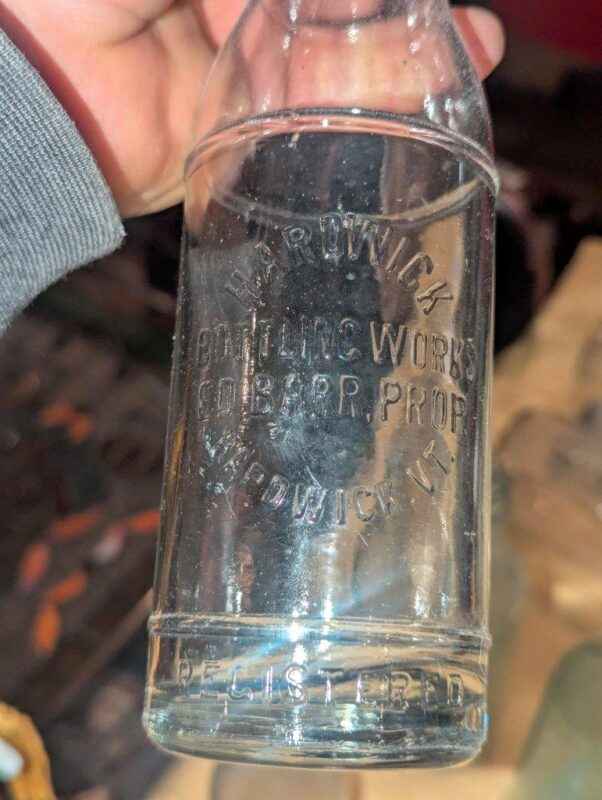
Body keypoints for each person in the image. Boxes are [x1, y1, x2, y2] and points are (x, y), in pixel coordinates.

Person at [0, 0, 504, 787]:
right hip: (219, 675)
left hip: (412, 678)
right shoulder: (259, 60)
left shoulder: (418, 63)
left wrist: (35, 110)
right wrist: (33, 105)